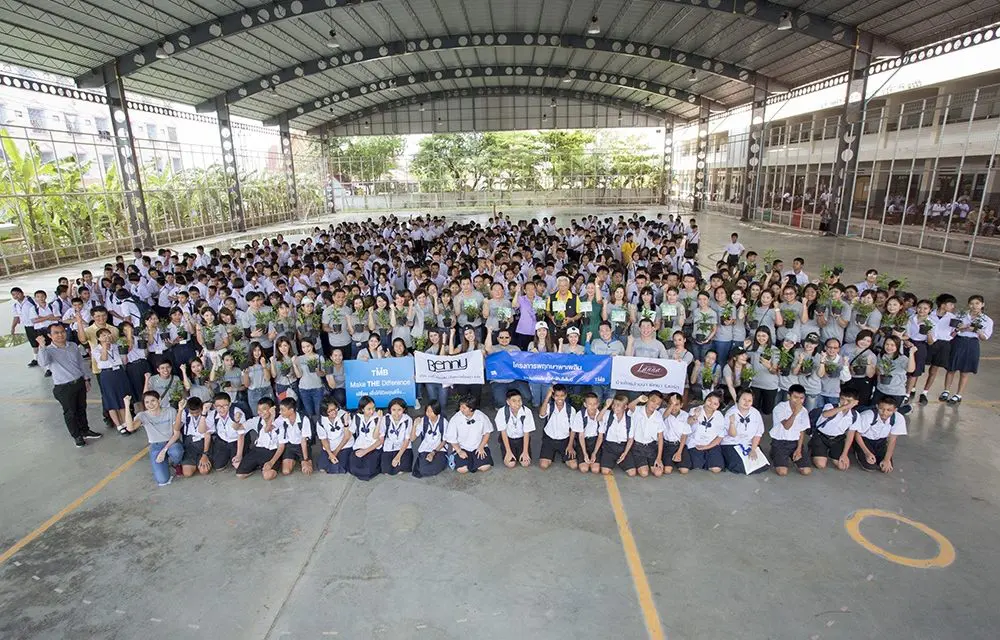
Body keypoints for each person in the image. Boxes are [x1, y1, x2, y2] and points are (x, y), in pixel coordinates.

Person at [35, 324, 99, 447]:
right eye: (56, 333)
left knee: (81, 408)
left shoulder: (73, 346)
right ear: (50, 336)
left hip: (79, 382)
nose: (60, 335)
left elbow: (81, 363)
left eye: (62, 332)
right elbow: (43, 362)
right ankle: (77, 436)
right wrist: (41, 346)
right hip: (64, 387)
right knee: (70, 413)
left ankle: (85, 430)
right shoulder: (48, 350)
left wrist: (86, 379)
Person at [122, 390, 182, 486]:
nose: (150, 404)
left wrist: (164, 450)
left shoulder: (171, 411)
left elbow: (176, 434)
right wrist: (127, 406)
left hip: (172, 442)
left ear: (159, 400)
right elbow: (130, 428)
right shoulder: (143, 415)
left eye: (153, 400)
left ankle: (176, 463)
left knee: (176, 452)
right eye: (147, 402)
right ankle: (165, 463)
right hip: (156, 445)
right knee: (162, 480)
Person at [942, 295, 993, 405]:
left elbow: (984, 337)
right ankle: (946, 391)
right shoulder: (961, 315)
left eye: (977, 303)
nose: (974, 306)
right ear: (968, 304)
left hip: (972, 344)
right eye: (972, 303)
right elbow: (952, 330)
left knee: (965, 371)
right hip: (958, 341)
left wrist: (976, 330)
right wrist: (962, 327)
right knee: (951, 368)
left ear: (982, 304)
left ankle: (958, 394)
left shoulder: (987, 320)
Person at [854, 396, 907, 473]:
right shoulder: (868, 415)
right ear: (877, 406)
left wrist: (887, 459)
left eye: (889, 410)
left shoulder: (898, 418)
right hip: (864, 440)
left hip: (881, 441)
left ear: (895, 410)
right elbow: (857, 434)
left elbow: (892, 440)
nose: (884, 413)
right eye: (882, 409)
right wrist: (867, 453)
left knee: (886, 467)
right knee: (870, 466)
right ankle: (856, 449)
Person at [809, 389, 859, 471]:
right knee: (821, 465)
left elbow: (850, 435)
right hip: (821, 436)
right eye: (842, 399)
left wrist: (845, 454)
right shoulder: (830, 406)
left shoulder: (855, 415)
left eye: (849, 401)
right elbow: (826, 414)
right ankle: (815, 449)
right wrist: (845, 407)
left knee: (842, 466)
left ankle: (829, 453)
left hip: (837, 439)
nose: (845, 402)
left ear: (856, 402)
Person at [769, 384, 812, 477]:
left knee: (806, 471)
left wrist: (799, 449)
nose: (798, 401)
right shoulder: (780, 408)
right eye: (795, 397)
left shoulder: (804, 411)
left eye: (801, 398)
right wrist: (795, 413)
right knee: (782, 472)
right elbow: (787, 426)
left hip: (794, 442)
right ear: (789, 396)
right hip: (780, 442)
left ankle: (791, 455)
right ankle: (774, 452)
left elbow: (802, 431)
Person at [236, 397, 284, 480]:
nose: (260, 412)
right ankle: (259, 465)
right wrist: (236, 421)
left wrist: (271, 462)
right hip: (258, 449)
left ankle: (272, 464)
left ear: (272, 409)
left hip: (273, 451)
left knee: (268, 476)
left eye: (264, 409)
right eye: (259, 410)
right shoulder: (257, 420)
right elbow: (240, 428)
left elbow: (268, 429)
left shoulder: (280, 420)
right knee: (240, 474)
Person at [720, 389, 767, 474]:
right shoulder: (731, 412)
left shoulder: (755, 413)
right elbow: (732, 434)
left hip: (749, 443)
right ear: (738, 399)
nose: (746, 403)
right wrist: (732, 423)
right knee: (738, 466)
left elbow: (758, 433)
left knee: (760, 464)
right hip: (731, 443)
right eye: (744, 399)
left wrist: (753, 449)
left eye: (749, 400)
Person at [445, 395, 494, 474]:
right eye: (460, 407)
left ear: (471, 408)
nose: (461, 409)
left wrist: (481, 447)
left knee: (485, 467)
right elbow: (451, 438)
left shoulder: (481, 416)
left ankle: (475, 461)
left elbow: (487, 432)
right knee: (462, 470)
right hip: (462, 447)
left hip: (478, 446)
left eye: (464, 408)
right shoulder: (455, 418)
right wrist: (459, 451)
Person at [537, 384, 578, 470]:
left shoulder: (571, 410)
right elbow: (541, 414)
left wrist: (570, 446)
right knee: (543, 465)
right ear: (553, 396)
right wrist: (547, 397)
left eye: (562, 396)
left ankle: (561, 452)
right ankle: (551, 453)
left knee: (573, 465)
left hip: (565, 440)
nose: (559, 398)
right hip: (549, 439)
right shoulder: (549, 406)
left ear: (566, 395)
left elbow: (572, 430)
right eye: (556, 396)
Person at [495, 388, 536, 469]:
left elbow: (526, 433)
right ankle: (508, 451)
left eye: (519, 400)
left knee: (525, 464)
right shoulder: (502, 412)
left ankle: (521, 452)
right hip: (508, 439)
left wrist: (525, 452)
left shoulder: (527, 411)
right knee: (510, 464)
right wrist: (508, 452)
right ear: (508, 402)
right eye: (514, 401)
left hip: (522, 439)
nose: (517, 403)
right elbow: (503, 432)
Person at [684, 393, 725, 473]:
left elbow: (720, 436)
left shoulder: (719, 415)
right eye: (709, 400)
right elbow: (688, 423)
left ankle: (708, 458)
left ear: (719, 406)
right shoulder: (696, 409)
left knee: (716, 469)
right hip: (695, 444)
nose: (711, 404)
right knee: (697, 467)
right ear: (705, 399)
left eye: (715, 403)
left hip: (711, 444)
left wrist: (707, 446)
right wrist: (695, 416)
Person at [207, 392, 248, 471]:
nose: (222, 409)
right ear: (214, 406)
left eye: (225, 405)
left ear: (230, 404)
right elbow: (202, 431)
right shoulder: (212, 414)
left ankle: (242, 453)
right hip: (222, 441)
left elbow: (241, 435)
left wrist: (239, 455)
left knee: (238, 466)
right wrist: (203, 413)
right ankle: (227, 456)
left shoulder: (237, 413)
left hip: (236, 441)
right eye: (218, 406)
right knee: (218, 467)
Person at [597, 394, 636, 477]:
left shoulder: (629, 419)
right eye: (614, 404)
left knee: (632, 473)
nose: (615, 407)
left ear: (625, 407)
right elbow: (598, 419)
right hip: (609, 447)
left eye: (618, 405)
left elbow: (630, 439)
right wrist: (606, 406)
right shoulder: (608, 414)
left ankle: (618, 461)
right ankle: (611, 461)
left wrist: (625, 453)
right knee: (605, 471)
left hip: (623, 446)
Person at [274, 396, 313, 476]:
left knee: (307, 470)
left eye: (283, 410)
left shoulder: (304, 419)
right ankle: (294, 459)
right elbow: (269, 428)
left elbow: (303, 441)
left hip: (301, 445)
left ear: (291, 410)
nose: (280, 412)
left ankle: (301, 459)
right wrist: (271, 416)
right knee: (286, 471)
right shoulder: (281, 418)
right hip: (289, 446)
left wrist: (305, 459)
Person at [349, 395, 384, 481]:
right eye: (369, 409)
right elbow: (350, 433)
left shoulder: (378, 418)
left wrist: (379, 420)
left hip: (373, 447)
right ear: (362, 409)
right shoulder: (357, 417)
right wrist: (346, 424)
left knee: (368, 470)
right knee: (353, 468)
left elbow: (378, 439)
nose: (372, 411)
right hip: (360, 445)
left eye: (373, 408)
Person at [411, 401, 448, 478]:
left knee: (434, 469)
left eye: (432, 411)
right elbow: (412, 438)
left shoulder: (443, 422)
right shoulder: (423, 420)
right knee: (424, 470)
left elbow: (444, 441)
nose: (429, 414)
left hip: (439, 449)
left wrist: (433, 453)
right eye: (427, 411)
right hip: (426, 448)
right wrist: (414, 425)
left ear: (437, 411)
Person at [316, 397, 353, 474]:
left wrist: (335, 452)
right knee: (322, 467)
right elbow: (324, 439)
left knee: (340, 468)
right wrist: (330, 453)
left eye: (335, 409)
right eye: (330, 411)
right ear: (324, 412)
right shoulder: (320, 421)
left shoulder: (344, 416)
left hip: (344, 444)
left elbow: (347, 437)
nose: (334, 412)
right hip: (330, 445)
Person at [570, 392, 604, 474]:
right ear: (585, 404)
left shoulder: (601, 415)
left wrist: (594, 453)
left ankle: (594, 455)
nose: (592, 406)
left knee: (595, 470)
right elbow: (581, 436)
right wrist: (585, 454)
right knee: (584, 469)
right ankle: (583, 454)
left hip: (595, 442)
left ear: (598, 404)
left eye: (595, 404)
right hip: (583, 442)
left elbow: (600, 436)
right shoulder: (580, 415)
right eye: (589, 404)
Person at [380, 397, 415, 475]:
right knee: (386, 471)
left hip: (404, 447)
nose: (396, 413)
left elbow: (407, 440)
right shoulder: (385, 419)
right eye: (393, 410)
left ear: (403, 410)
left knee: (401, 470)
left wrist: (398, 456)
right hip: (389, 447)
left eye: (399, 410)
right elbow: (381, 436)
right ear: (390, 410)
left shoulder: (408, 419)